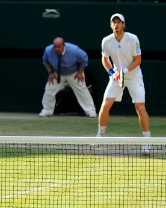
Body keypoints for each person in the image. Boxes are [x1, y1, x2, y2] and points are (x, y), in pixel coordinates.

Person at [97, 13, 151, 154]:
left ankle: (147, 141)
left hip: (134, 76)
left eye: (119, 22)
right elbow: (105, 59)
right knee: (105, 104)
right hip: (116, 77)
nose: (116, 25)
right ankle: (100, 136)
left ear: (124, 25)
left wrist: (124, 71)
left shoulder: (133, 39)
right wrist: (111, 73)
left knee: (139, 107)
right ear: (111, 25)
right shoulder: (106, 41)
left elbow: (138, 60)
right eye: (113, 22)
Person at [39, 37, 97, 118]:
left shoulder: (74, 50)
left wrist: (80, 72)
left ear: (64, 46)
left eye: (59, 46)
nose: (57, 49)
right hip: (57, 73)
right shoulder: (48, 50)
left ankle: (91, 111)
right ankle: (46, 110)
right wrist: (51, 72)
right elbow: (45, 62)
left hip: (74, 73)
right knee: (49, 89)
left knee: (82, 90)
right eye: (55, 47)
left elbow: (84, 60)